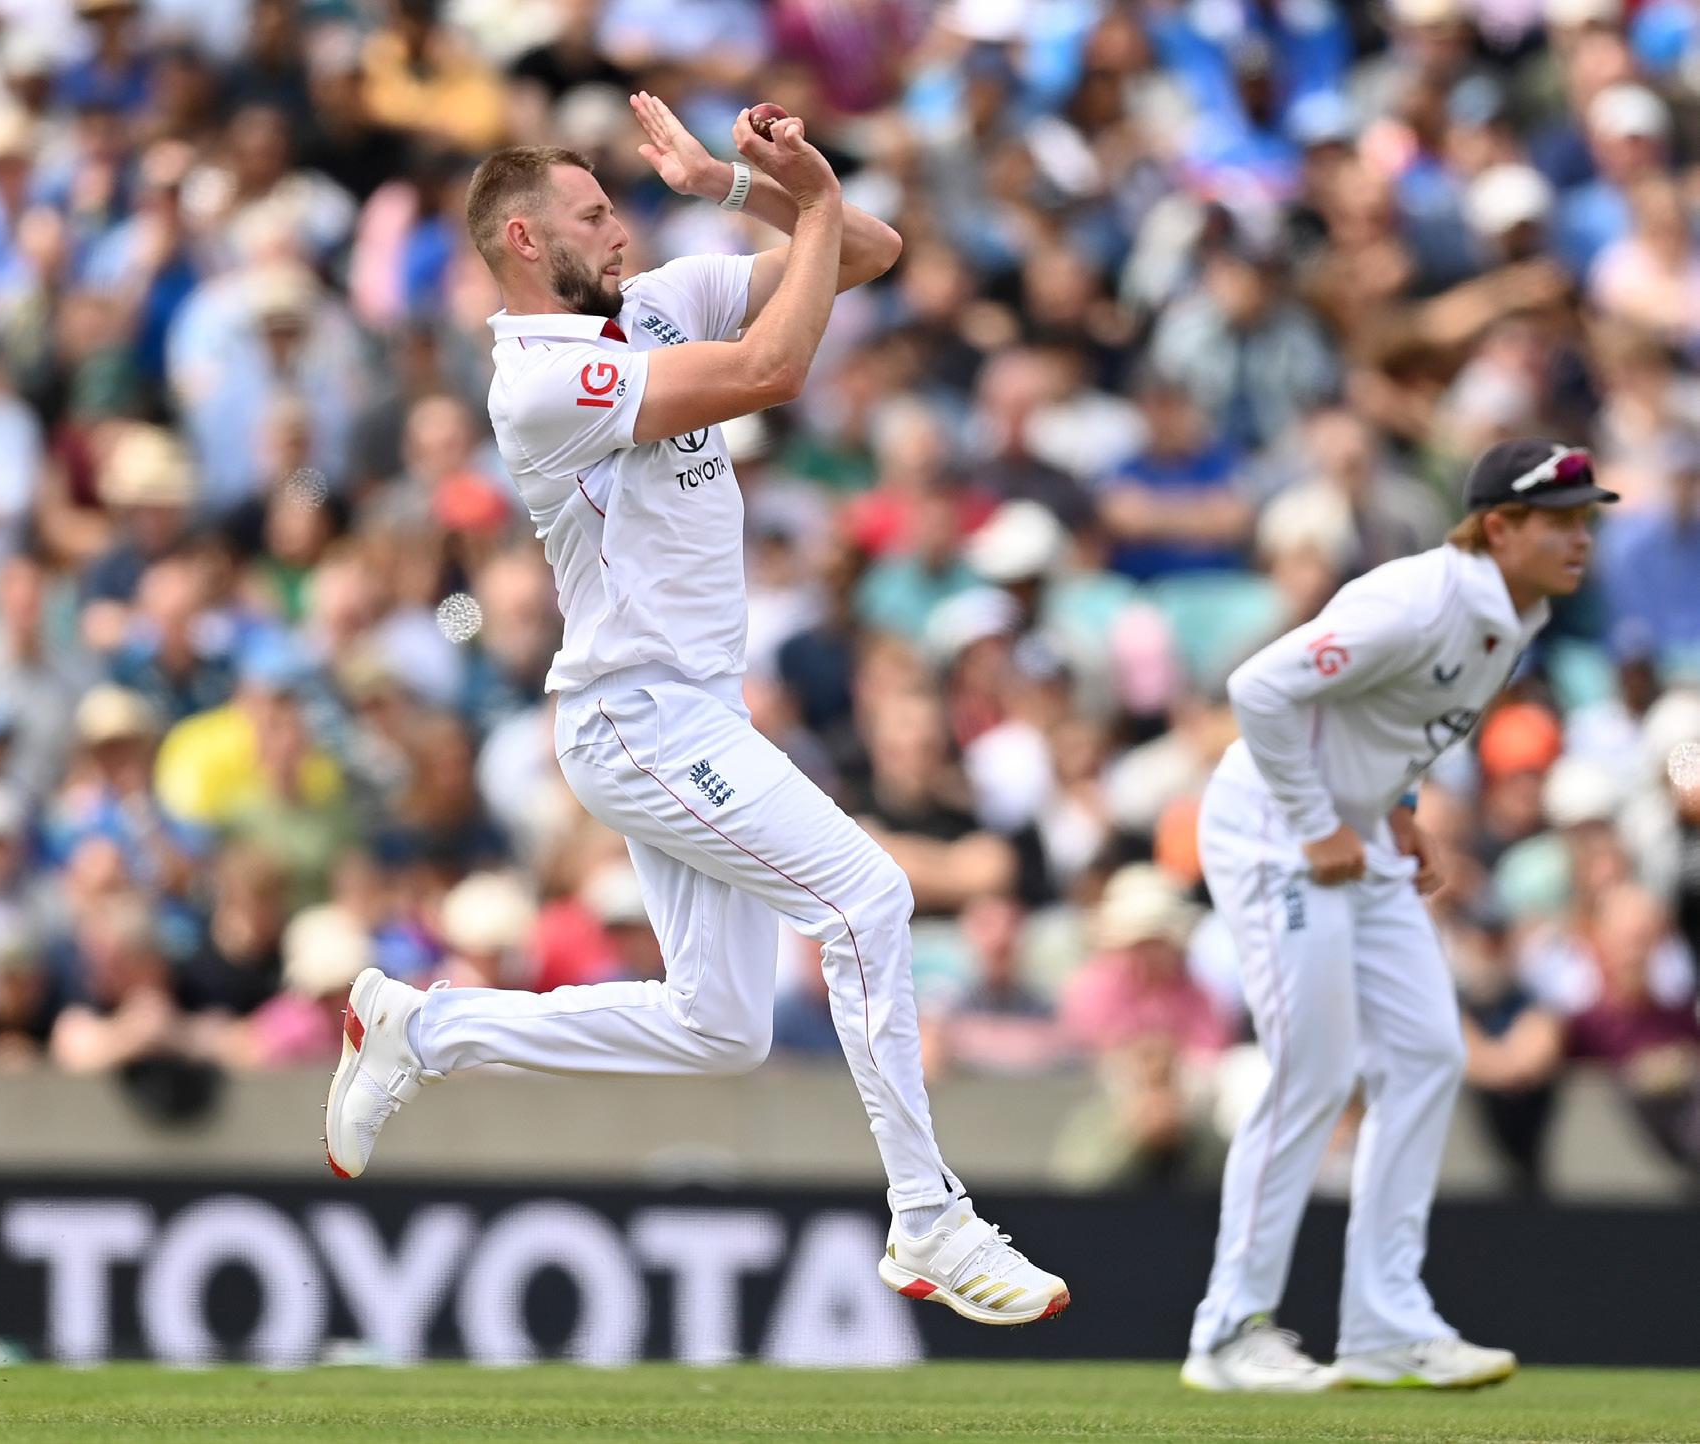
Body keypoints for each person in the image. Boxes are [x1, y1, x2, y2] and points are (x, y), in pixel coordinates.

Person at [321, 94, 1069, 1327]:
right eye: (592, 215)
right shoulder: (539, 380)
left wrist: (740, 184)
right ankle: (927, 1218)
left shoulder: (658, 299)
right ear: (523, 241)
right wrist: (803, 199)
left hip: (694, 713)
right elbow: (774, 369)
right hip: (636, 715)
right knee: (869, 899)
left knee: (720, 1024)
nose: (618, 228)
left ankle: (424, 1029)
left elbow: (867, 251)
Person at [1181, 438, 1618, 1392]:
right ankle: (1227, 1331)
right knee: (1312, 1071)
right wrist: (1316, 824)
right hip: (1277, 830)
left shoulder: (1518, 611)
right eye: (1561, 521)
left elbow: (1400, 722)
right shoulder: (1417, 600)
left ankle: (1383, 1323)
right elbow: (1258, 689)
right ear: (1498, 527)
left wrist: (1401, 807)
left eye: (1586, 519)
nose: (1581, 537)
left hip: (1360, 828)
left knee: (1427, 1053)